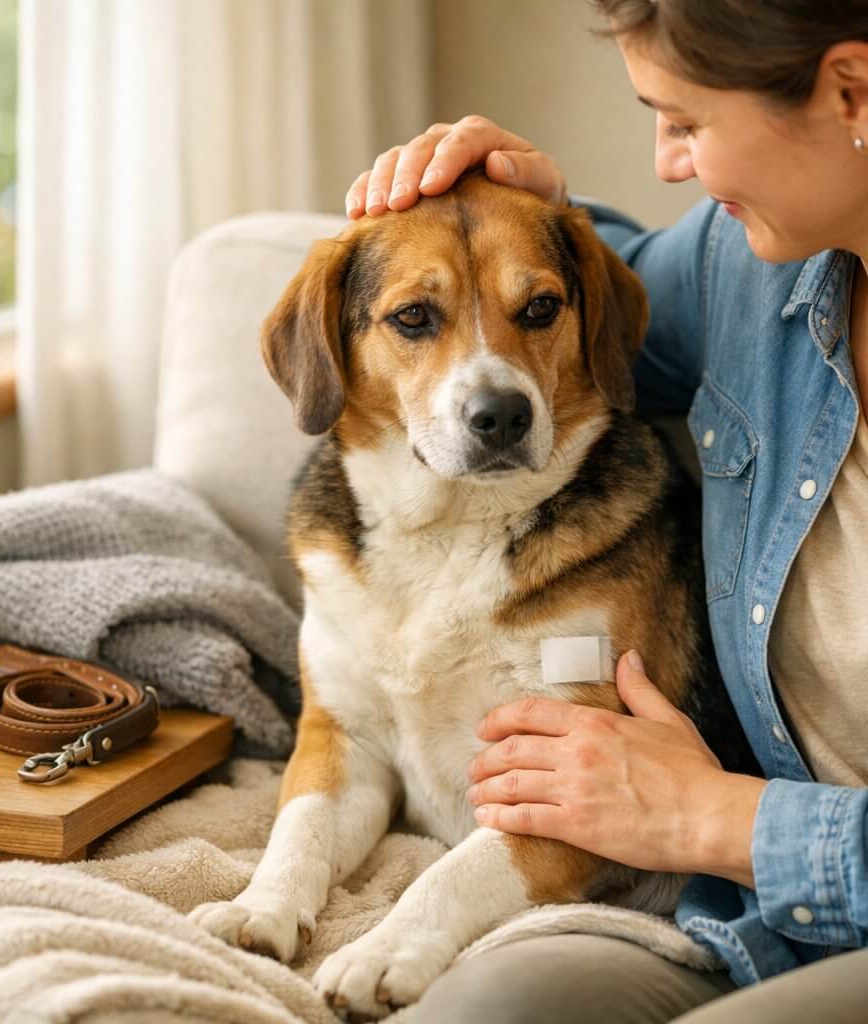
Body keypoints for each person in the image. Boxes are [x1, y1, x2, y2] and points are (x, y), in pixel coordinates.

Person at [344, 2, 868, 1021]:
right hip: (751, 914)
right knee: (486, 1007)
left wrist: (722, 820)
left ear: (850, 89)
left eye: (685, 122)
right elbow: (587, 315)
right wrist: (532, 202)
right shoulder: (749, 264)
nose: (667, 162)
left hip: (757, 857)